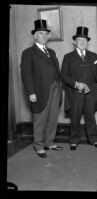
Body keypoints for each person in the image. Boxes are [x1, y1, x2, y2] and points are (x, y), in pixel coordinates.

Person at [21, 19, 63, 158]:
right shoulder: (28, 53)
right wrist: (31, 92)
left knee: (52, 117)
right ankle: (38, 145)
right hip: (39, 91)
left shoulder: (51, 51)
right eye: (41, 33)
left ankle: (49, 142)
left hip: (56, 88)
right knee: (40, 117)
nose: (44, 36)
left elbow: (57, 70)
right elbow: (26, 75)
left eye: (46, 34)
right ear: (35, 36)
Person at [61, 26, 97, 150]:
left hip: (91, 93)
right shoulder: (68, 57)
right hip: (75, 92)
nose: (82, 42)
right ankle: (74, 140)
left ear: (87, 42)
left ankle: (94, 139)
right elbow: (63, 75)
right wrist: (75, 84)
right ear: (75, 42)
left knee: (90, 117)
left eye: (85, 40)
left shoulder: (94, 56)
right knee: (75, 117)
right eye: (80, 40)